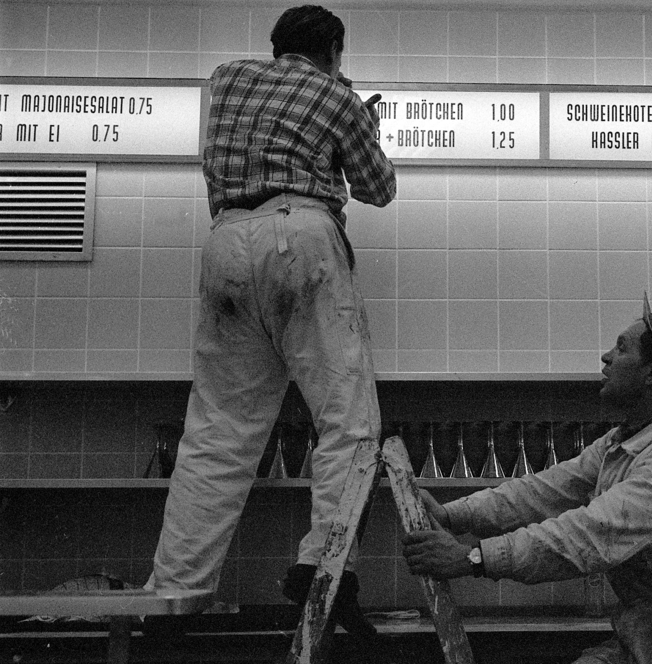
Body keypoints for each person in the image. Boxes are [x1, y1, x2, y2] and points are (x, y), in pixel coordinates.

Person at [147, 3, 396, 645]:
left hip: (226, 240)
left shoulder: (227, 78)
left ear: (276, 45)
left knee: (216, 433)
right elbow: (379, 187)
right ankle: (325, 569)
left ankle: (172, 598)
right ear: (335, 51)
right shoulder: (336, 94)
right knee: (348, 422)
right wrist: (358, 113)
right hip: (304, 234)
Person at [402, 295, 652, 664]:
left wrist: (473, 558)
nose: (606, 357)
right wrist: (453, 516)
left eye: (621, 349)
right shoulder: (623, 441)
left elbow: (590, 534)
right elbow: (542, 490)